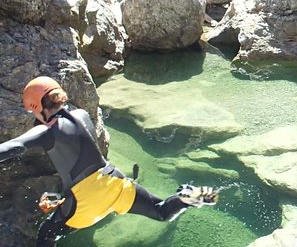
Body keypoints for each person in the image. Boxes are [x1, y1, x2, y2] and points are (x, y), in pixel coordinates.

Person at [0, 76, 219, 246]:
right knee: (161, 211)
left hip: (86, 197)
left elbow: (12, 147)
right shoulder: (82, 115)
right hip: (114, 181)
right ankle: (186, 198)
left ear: (36, 107)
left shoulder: (46, 131)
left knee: (48, 233)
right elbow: (83, 159)